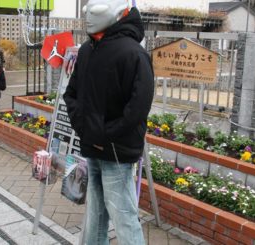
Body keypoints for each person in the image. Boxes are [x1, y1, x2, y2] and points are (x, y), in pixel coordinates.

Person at [63, 0, 154, 244]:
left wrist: (106, 132)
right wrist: (84, 127)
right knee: (95, 213)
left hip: (117, 151)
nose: (89, 17)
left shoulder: (134, 54)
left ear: (117, 13)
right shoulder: (86, 50)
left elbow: (138, 107)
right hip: (92, 146)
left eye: (97, 11)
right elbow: (70, 93)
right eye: (87, 11)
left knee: (123, 216)